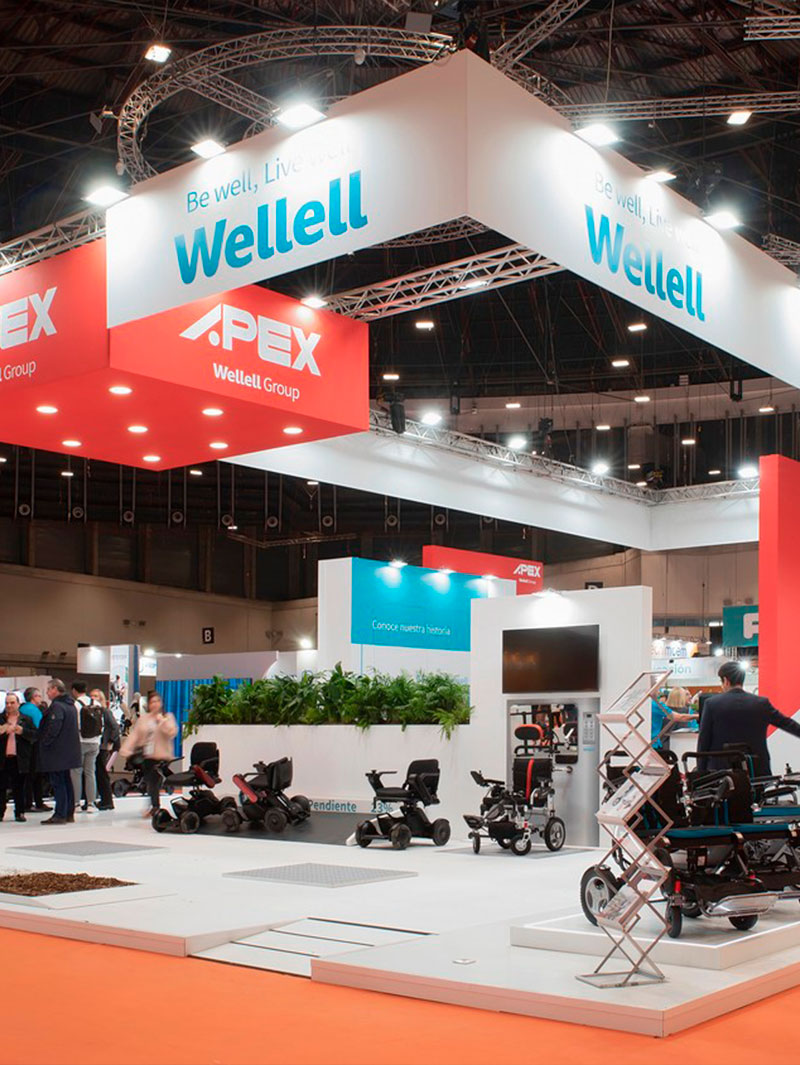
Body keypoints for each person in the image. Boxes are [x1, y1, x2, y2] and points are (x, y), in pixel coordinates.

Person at [698, 660, 800, 776]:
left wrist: (701, 772)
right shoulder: (761, 703)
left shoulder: (711, 704)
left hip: (722, 772)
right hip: (757, 769)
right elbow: (787, 723)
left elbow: (704, 741)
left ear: (725, 681)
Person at [119, 692, 177, 816]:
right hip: (148, 755)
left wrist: (162, 721)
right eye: (152, 702)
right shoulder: (144, 719)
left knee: (155, 781)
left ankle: (155, 807)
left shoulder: (167, 717)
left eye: (157, 701)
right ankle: (154, 806)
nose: (155, 704)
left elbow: (172, 733)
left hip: (161, 756)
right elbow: (135, 735)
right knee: (151, 782)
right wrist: (126, 748)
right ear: (149, 704)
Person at [38, 678, 81, 824]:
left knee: (58, 782)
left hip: (57, 751)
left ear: (55, 689)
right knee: (66, 781)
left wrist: (45, 742)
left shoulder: (57, 707)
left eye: (49, 690)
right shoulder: (71, 706)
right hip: (68, 751)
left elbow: (54, 727)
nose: (47, 693)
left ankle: (60, 814)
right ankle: (68, 813)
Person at [0, 693, 37, 822]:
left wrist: (22, 731)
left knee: (19, 787)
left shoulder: (26, 719)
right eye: (7, 703)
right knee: (1, 787)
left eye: (12, 703)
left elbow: (34, 736)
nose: (9, 705)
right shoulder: (1, 719)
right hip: (3, 758)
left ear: (18, 704)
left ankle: (20, 812)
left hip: (19, 758)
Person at [71, 681, 102, 813]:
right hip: (94, 742)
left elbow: (73, 725)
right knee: (90, 772)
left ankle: (76, 804)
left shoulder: (75, 705)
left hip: (80, 741)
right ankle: (91, 803)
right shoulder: (97, 704)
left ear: (74, 690)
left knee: (76, 772)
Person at [20, 687, 51, 813]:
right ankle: (34, 802)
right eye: (39, 696)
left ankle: (34, 802)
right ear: (33, 697)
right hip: (34, 746)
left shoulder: (23, 709)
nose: (41, 698)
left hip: (26, 746)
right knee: (34, 775)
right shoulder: (33, 710)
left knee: (31, 775)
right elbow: (41, 728)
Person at [91, 688, 120, 811]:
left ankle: (107, 801)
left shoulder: (105, 712)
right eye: (92, 696)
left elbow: (115, 727)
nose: (93, 698)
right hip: (96, 745)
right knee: (97, 773)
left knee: (102, 773)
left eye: (96, 696)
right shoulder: (92, 712)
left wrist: (110, 742)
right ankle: (103, 799)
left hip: (102, 747)